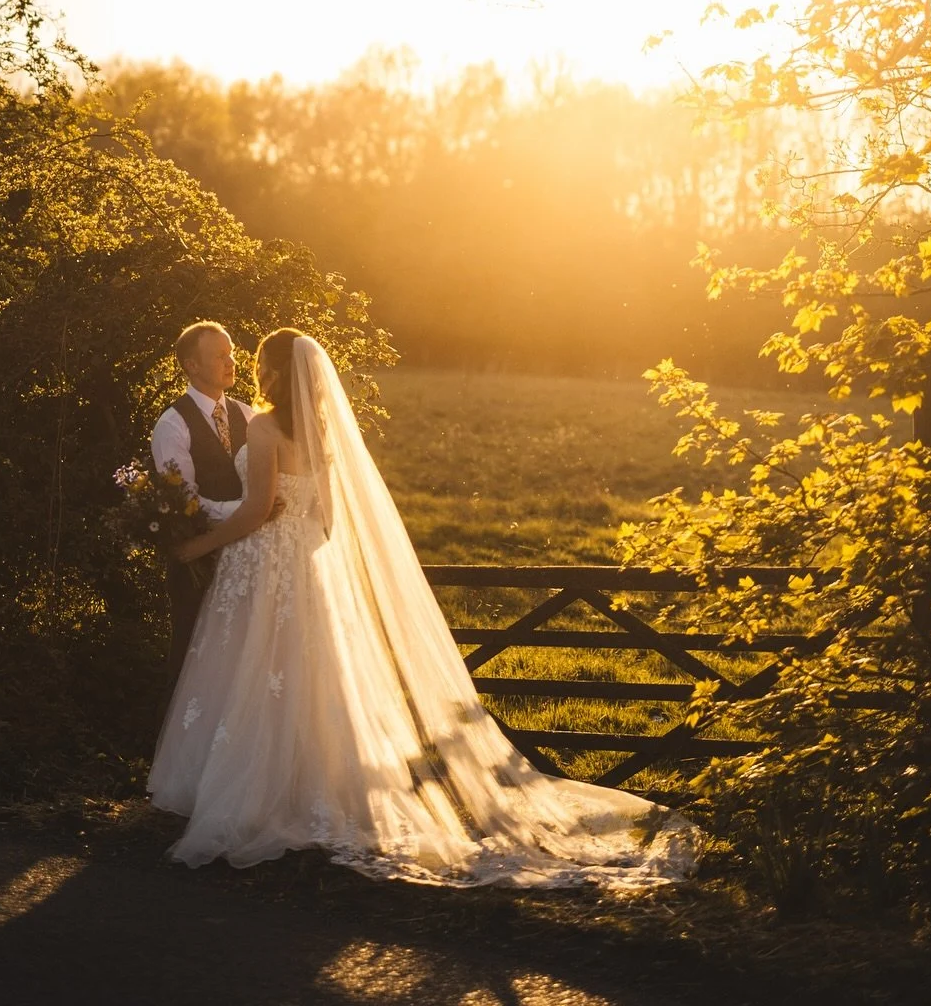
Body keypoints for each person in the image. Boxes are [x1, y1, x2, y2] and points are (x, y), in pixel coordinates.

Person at [149, 328, 696, 890]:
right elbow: (330, 517)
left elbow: (256, 511)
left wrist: (199, 546)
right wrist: (306, 559)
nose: (250, 370)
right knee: (308, 678)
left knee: (253, 674)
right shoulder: (321, 430)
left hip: (261, 566)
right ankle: (312, 792)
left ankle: (251, 796)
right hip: (306, 567)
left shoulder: (262, 426)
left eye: (257, 363)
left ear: (274, 373)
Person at [149, 321, 254, 699]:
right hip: (197, 565)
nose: (230, 362)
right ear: (192, 366)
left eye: (231, 354)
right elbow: (183, 503)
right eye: (219, 356)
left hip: (248, 560)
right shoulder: (172, 424)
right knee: (192, 666)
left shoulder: (250, 416)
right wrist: (247, 512)